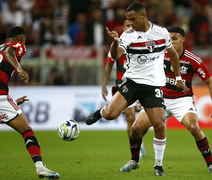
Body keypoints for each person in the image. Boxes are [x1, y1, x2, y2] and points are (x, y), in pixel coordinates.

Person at [86, 2, 189, 176]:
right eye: (128, 20)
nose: (131, 23)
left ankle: (158, 166)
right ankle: (101, 112)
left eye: (133, 19)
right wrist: (115, 42)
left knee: (159, 124)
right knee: (111, 114)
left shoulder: (161, 32)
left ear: (144, 16)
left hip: (153, 85)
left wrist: (178, 78)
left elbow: (172, 54)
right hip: (132, 82)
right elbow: (115, 55)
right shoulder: (127, 35)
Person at [121, 26, 212, 173]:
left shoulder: (192, 59)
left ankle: (210, 164)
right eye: (169, 39)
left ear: (183, 39)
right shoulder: (159, 54)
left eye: (175, 38)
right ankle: (135, 160)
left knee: (194, 128)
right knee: (136, 128)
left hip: (182, 100)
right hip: (158, 98)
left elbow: (209, 80)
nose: (171, 42)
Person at [0, 26, 60, 179]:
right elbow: (9, 52)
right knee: (26, 130)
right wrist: (19, 69)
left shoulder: (1, 46)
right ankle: (40, 167)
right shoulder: (17, 45)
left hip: (3, 98)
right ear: (22, 39)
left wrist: (11, 102)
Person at [102, 18, 146, 158]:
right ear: (122, 27)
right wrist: (104, 85)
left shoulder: (140, 42)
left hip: (141, 83)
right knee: (130, 116)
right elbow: (109, 64)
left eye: (131, 25)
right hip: (124, 84)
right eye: (127, 25)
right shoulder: (117, 45)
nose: (129, 27)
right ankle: (135, 149)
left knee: (150, 121)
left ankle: (138, 139)